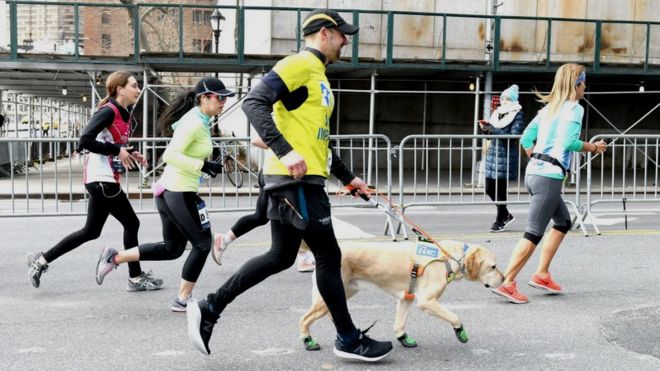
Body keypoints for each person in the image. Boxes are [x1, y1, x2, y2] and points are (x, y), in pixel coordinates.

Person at [187, 9, 393, 362]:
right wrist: (285, 151)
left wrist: (348, 177)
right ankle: (348, 338)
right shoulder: (299, 64)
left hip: (302, 178)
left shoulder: (319, 76)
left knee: (281, 256)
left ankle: (210, 306)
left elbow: (319, 141)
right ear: (325, 34)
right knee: (329, 256)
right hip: (295, 181)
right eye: (343, 34)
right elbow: (254, 103)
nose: (347, 40)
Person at [95, 77, 235, 312]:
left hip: (173, 190)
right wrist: (202, 165)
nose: (223, 102)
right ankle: (182, 299)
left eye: (225, 98)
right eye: (219, 97)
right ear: (204, 98)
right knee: (202, 245)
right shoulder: (193, 122)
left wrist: (203, 164)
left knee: (173, 249)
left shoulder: (200, 119)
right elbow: (170, 155)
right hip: (178, 191)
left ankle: (115, 258)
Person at [26, 70, 163, 292]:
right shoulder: (107, 112)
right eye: (134, 85)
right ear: (120, 89)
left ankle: (40, 261)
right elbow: (85, 141)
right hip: (101, 180)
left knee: (91, 231)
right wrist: (117, 150)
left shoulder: (123, 114)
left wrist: (130, 152)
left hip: (104, 179)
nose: (138, 90)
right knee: (131, 223)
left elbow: (110, 143)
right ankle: (135, 278)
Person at [491, 63, 607, 304]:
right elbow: (569, 143)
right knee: (533, 232)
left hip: (535, 174)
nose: (585, 87)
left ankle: (542, 274)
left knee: (563, 221)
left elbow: (526, 138)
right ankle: (507, 282)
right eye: (584, 83)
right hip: (549, 177)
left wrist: (536, 158)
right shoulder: (575, 109)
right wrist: (594, 147)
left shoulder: (548, 109)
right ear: (577, 84)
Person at [211, 136, 316, 273]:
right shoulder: (281, 117)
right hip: (277, 175)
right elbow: (256, 140)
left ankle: (223, 240)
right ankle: (303, 257)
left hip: (278, 174)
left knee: (263, 217)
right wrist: (287, 151)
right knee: (296, 216)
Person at [479, 84, 525, 232]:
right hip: (493, 155)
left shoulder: (517, 114)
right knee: (489, 189)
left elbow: (513, 137)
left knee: (500, 191)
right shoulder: (497, 113)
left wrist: (493, 130)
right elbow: (490, 136)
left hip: (506, 157)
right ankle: (506, 214)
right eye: (502, 98)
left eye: (507, 99)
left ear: (513, 100)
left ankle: (500, 219)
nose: (504, 101)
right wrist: (486, 130)